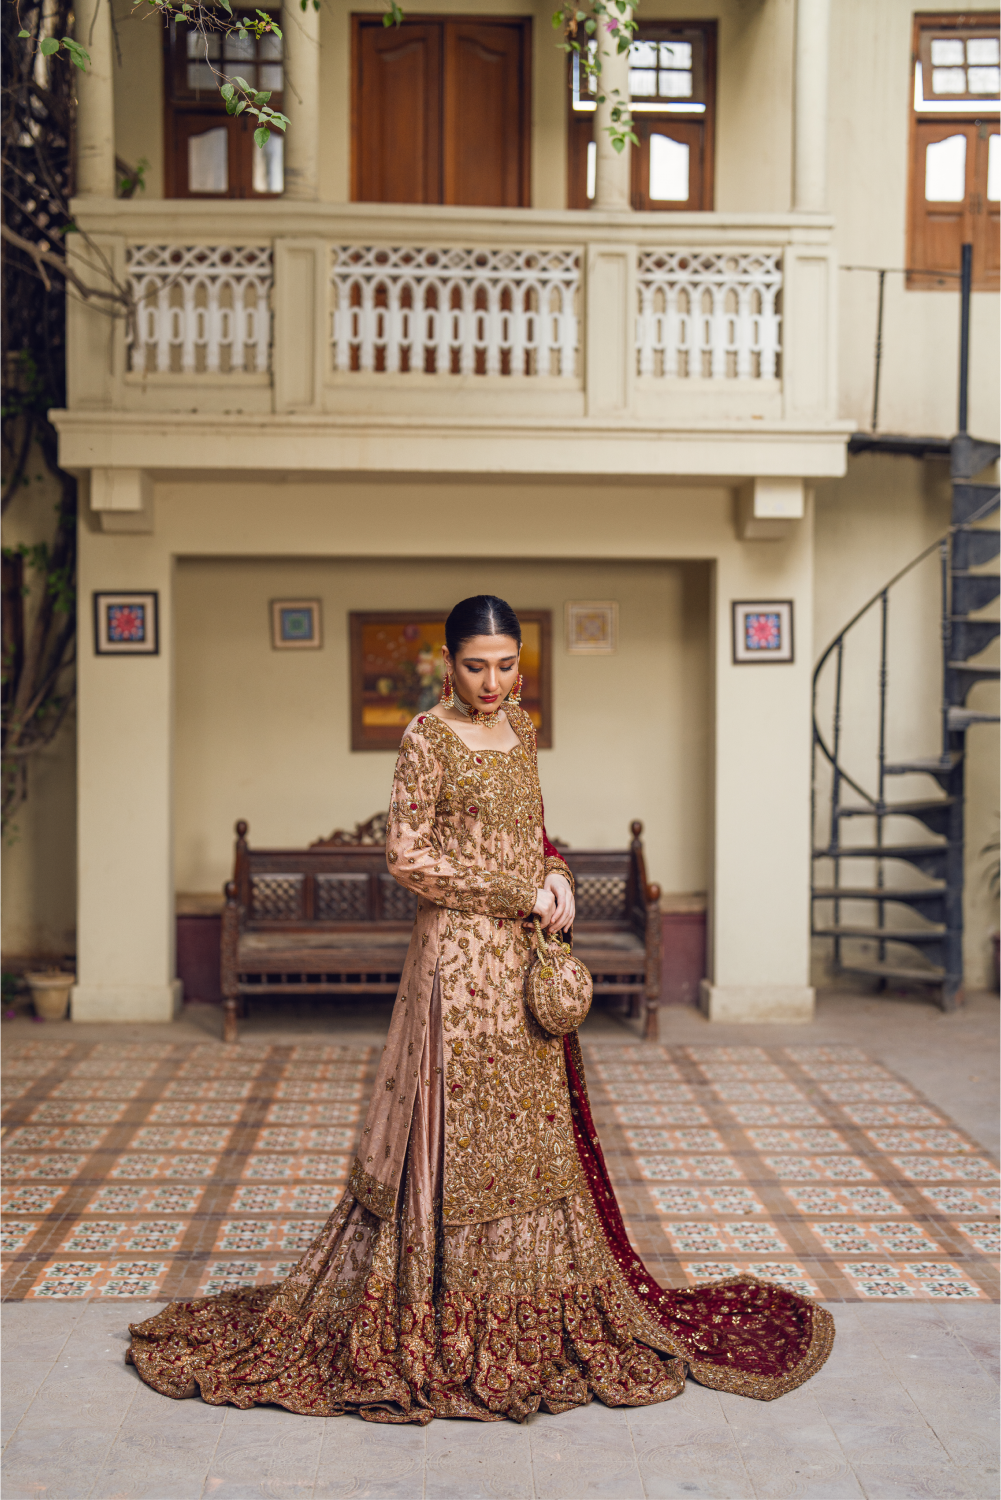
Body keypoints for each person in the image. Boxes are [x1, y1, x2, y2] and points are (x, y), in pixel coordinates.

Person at [127, 595, 833, 1422]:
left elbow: (533, 833)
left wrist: (558, 876)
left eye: (504, 665)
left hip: (522, 963)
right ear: (447, 663)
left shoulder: (520, 729)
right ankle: (441, 1303)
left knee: (524, 1130)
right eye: (474, 666)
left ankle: (527, 1298)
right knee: (454, 1128)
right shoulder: (426, 737)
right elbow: (407, 855)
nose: (491, 682)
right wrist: (515, 892)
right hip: (456, 966)